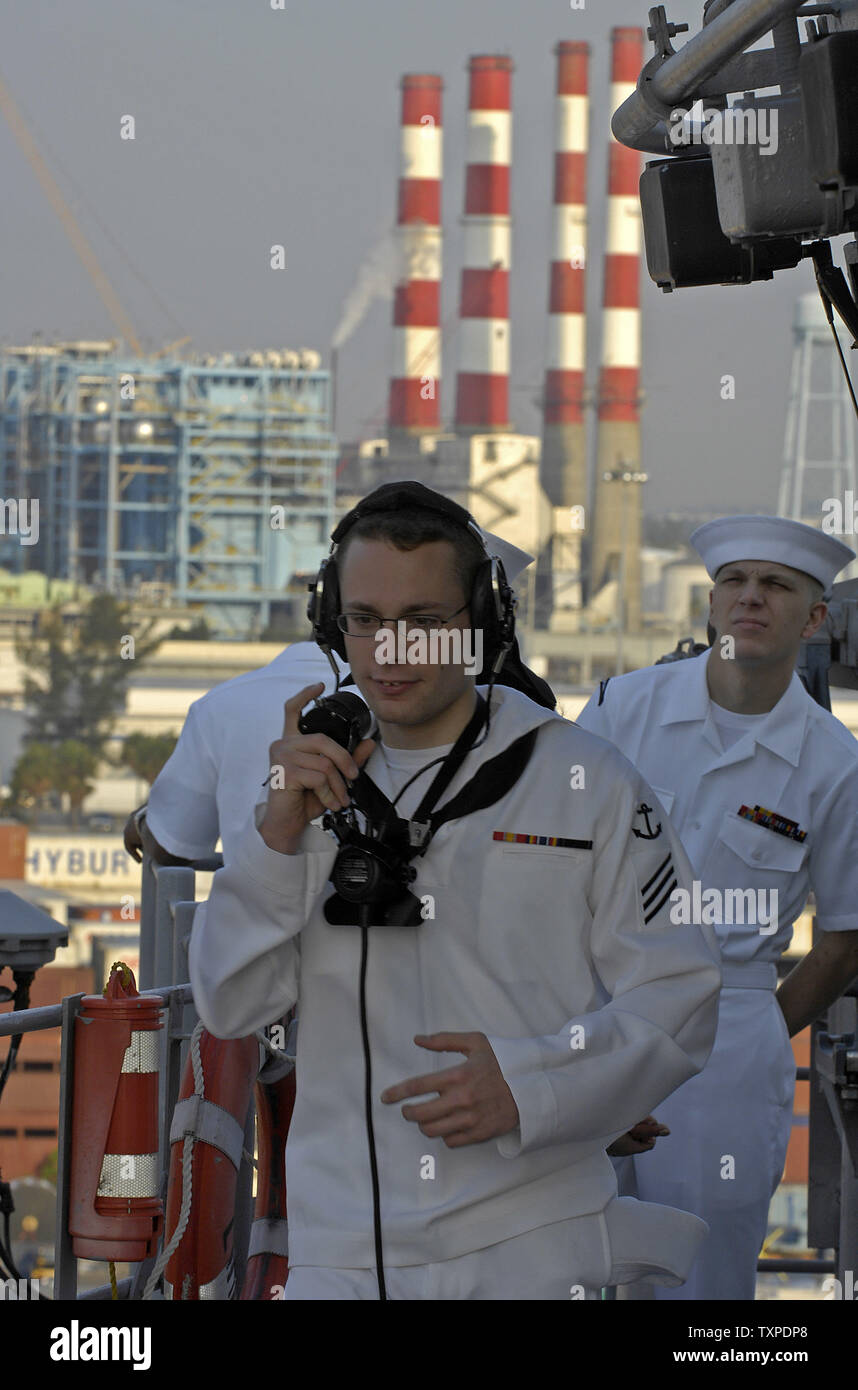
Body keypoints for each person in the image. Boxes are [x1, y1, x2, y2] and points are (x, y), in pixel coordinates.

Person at [188, 480, 721, 1301]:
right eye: (365, 621)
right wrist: (273, 843)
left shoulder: (588, 781)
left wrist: (532, 1083)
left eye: (423, 624)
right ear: (334, 626)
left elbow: (680, 995)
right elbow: (231, 1005)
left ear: (481, 625)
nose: (390, 652)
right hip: (340, 1256)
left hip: (532, 1249)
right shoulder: (302, 786)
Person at [577, 514, 858, 1301]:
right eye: (734, 582)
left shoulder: (834, 767)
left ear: (814, 619)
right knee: (560, 1252)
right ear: (709, 606)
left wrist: (757, 1026)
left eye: (777, 586)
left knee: (702, 1274)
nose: (751, 599)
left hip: (724, 1038)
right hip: (592, 1007)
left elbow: (843, 939)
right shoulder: (621, 709)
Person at [124, 641, 350, 868]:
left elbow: (172, 846)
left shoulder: (217, 705)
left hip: (261, 900)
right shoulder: (381, 700)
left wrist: (142, 822)